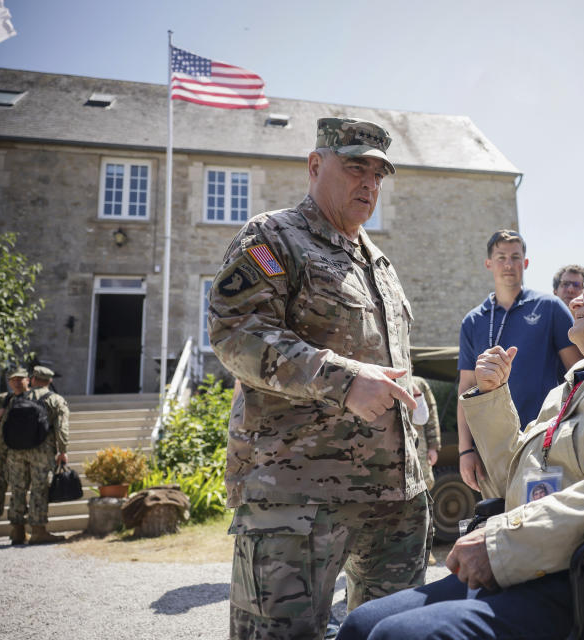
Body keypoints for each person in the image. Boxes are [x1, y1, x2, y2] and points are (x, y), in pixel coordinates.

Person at [336, 250, 584, 640]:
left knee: (398, 634)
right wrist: (491, 396)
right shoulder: (580, 377)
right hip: (538, 563)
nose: (576, 298)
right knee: (362, 623)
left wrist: (504, 541)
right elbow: (511, 488)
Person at [208, 117, 431, 640]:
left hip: (395, 502)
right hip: (297, 499)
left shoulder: (379, 264)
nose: (369, 184)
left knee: (393, 633)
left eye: (378, 174)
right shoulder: (270, 239)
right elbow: (236, 331)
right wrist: (343, 380)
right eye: (356, 168)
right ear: (315, 165)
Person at [457, 230, 581, 497]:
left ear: (525, 263)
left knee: (542, 526)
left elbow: (579, 374)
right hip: (489, 448)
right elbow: (465, 388)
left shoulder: (550, 307)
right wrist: (465, 449)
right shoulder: (473, 320)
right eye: (501, 257)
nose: (508, 264)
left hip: (543, 443)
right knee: (497, 524)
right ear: (488, 263)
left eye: (515, 257)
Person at [2, 366, 67, 545]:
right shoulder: (55, 399)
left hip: (15, 450)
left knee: (17, 488)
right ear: (50, 381)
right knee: (39, 488)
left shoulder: (18, 398)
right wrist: (63, 450)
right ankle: (38, 531)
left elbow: (5, 426)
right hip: (42, 450)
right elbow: (62, 427)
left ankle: (17, 531)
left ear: (32, 379)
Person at [0, 369, 28, 543]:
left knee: (19, 491)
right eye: (13, 380)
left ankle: (18, 530)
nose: (17, 382)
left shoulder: (33, 399)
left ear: (28, 380)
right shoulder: (2, 399)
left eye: (20, 379)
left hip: (20, 453)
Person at [411, 376, 440, 490]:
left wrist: (433, 447)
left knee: (424, 486)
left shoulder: (419, 383)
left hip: (419, 448)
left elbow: (431, 415)